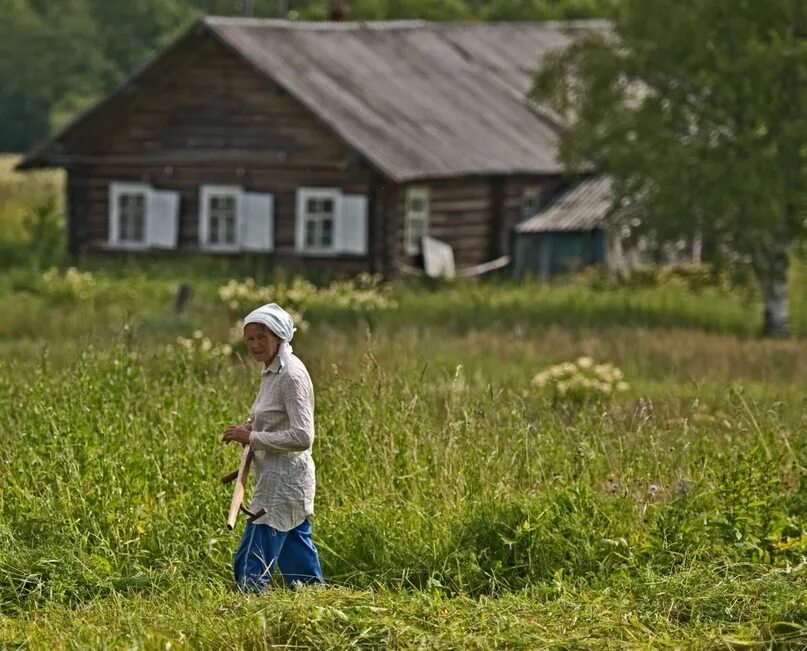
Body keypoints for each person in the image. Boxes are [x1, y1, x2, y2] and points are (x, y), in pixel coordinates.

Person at [221, 303, 324, 591]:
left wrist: (252, 438)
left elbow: (303, 436)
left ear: (279, 337)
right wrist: (252, 427)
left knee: (251, 560)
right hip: (278, 479)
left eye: (261, 338)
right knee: (296, 553)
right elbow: (276, 418)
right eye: (250, 338)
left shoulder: (291, 374)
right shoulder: (271, 369)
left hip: (284, 483)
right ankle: (313, 600)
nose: (254, 345)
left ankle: (249, 608)